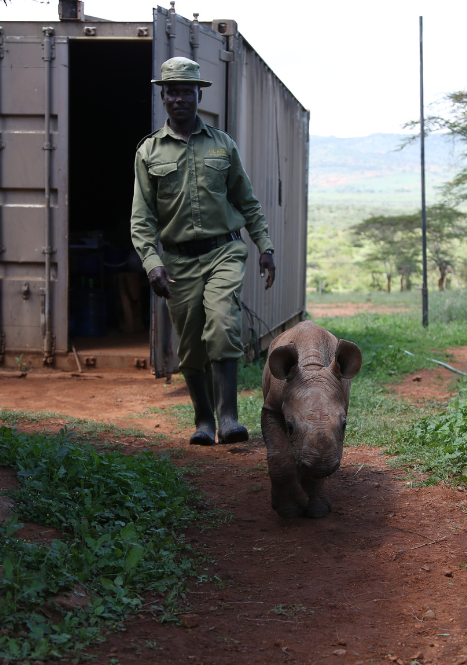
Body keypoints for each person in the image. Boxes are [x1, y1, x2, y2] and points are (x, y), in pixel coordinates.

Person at [131, 57, 277, 446]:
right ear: (163, 97)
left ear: (199, 94)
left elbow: (247, 201)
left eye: (187, 91)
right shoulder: (148, 152)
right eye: (172, 91)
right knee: (191, 342)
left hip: (224, 253)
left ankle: (228, 417)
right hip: (177, 260)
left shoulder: (223, 145)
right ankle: (203, 421)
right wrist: (152, 263)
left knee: (223, 325)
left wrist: (265, 246)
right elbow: (141, 217)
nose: (179, 98)